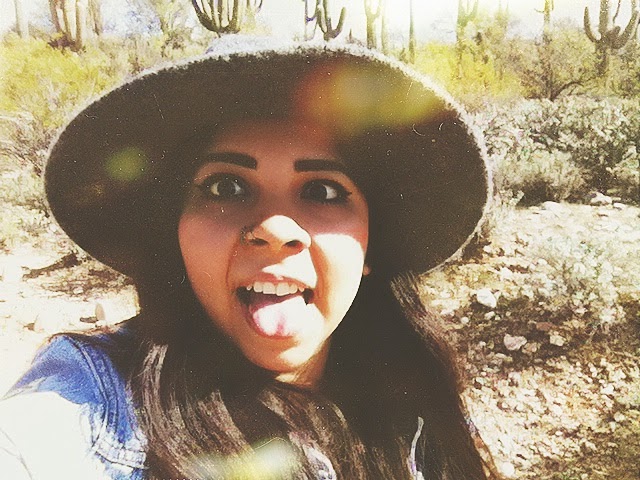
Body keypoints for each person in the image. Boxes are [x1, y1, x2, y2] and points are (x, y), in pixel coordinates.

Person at [0, 38, 499, 479]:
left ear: (372, 244)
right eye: (226, 187)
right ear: (176, 231)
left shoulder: (418, 399)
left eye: (323, 191)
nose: (276, 230)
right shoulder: (88, 406)